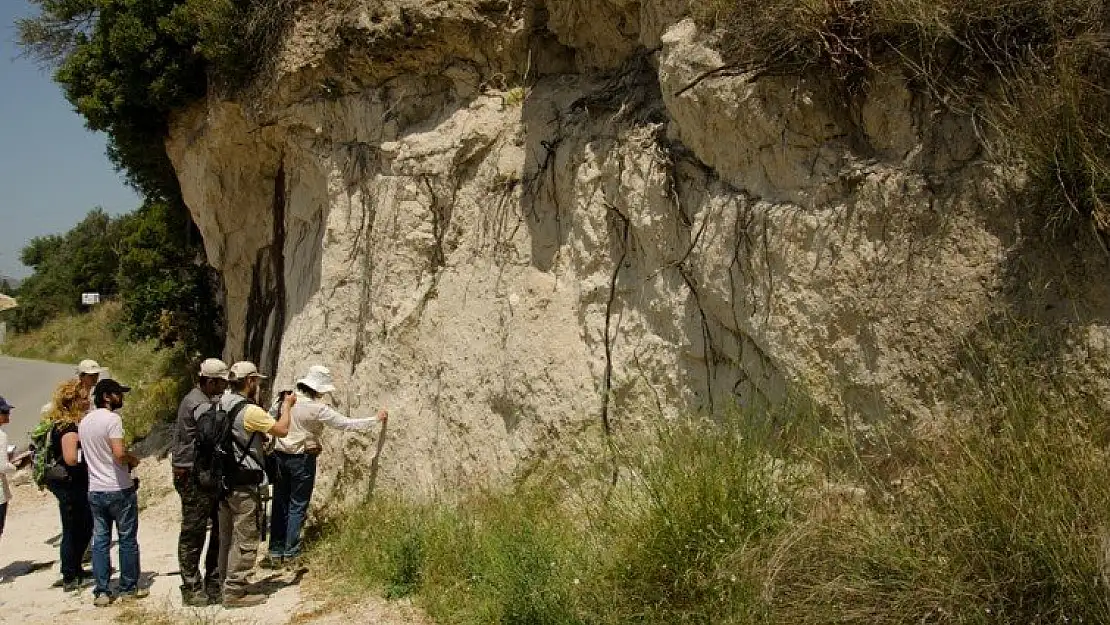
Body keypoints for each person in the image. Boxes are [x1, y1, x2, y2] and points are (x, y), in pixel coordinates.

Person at [266, 365, 387, 570]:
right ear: (318, 389)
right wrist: (375, 419)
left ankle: (275, 552)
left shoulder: (284, 400)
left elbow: (270, 420)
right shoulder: (317, 409)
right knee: (297, 505)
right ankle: (291, 553)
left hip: (279, 457)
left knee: (280, 503)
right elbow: (346, 424)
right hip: (302, 460)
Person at [217, 361, 294, 608]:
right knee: (245, 537)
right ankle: (235, 592)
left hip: (223, 481)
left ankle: (223, 584)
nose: (258, 386)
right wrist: (287, 407)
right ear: (249, 381)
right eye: (257, 382)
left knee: (226, 538)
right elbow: (281, 430)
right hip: (244, 482)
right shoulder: (250, 411)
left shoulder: (221, 403)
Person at [80, 379, 146, 607]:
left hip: (95, 488)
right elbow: (118, 453)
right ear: (107, 396)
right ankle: (128, 587)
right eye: (118, 393)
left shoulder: (85, 421)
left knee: (100, 541)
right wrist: (132, 458)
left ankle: (102, 590)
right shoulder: (112, 419)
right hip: (118, 487)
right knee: (127, 539)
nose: (122, 397)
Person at [172, 358, 230, 606]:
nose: (224, 387)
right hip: (194, 475)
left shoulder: (203, 401)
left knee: (217, 529)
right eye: (221, 382)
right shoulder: (197, 404)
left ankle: (212, 582)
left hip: (206, 473)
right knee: (194, 532)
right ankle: (192, 585)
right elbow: (208, 438)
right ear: (210, 381)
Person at [44, 381, 95, 592]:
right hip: (70, 484)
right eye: (84, 398)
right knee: (74, 528)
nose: (88, 401)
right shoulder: (69, 427)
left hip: (69, 483)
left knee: (80, 527)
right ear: (74, 401)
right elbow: (71, 458)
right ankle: (69, 575)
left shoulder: (62, 423)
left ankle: (74, 569)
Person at [0, 396, 31, 549]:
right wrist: (17, 466)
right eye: (4, 412)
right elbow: (2, 466)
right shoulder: (1, 436)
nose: (7, 415)